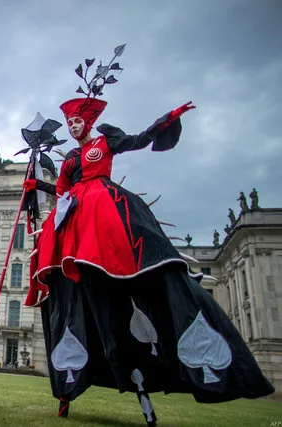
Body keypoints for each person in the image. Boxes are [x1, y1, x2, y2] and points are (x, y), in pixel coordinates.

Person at [22, 50, 274, 425]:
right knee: (73, 293)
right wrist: (35, 185)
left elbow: (138, 140)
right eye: (68, 122)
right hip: (78, 227)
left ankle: (166, 357)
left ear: (88, 120)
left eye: (76, 120)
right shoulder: (71, 161)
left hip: (108, 216)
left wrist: (164, 122)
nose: (72, 126)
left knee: (133, 277)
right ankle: (71, 378)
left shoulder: (105, 141)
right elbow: (60, 193)